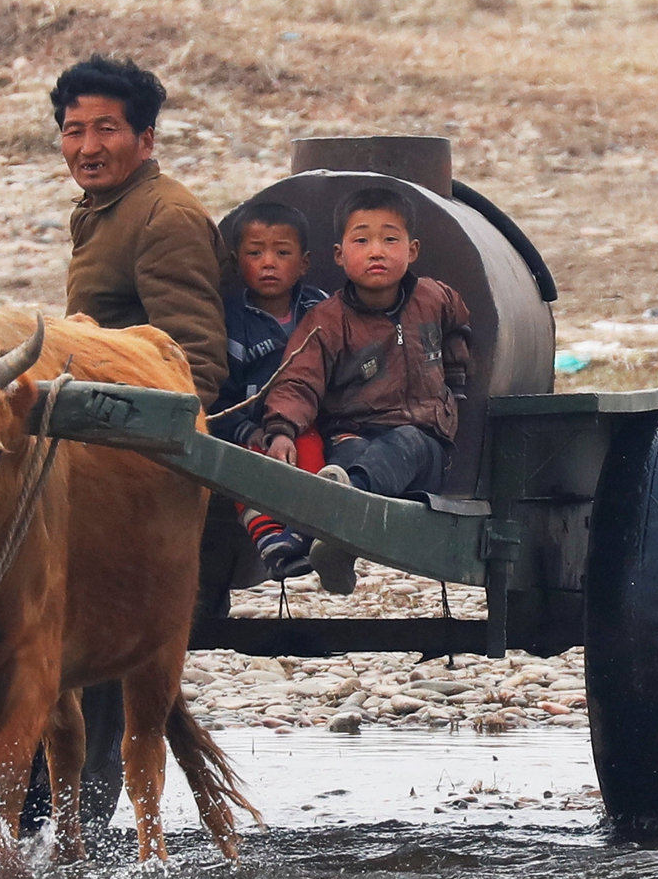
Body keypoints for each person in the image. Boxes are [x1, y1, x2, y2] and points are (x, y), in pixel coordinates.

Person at [260, 186, 472, 595]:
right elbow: (298, 380)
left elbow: (458, 327)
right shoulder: (327, 320)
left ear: (412, 250)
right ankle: (338, 544)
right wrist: (281, 429)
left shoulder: (435, 298)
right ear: (339, 255)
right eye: (362, 241)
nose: (377, 251)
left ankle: (327, 513)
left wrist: (456, 380)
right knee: (350, 457)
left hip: (423, 443)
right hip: (352, 436)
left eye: (390, 239)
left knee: (404, 444)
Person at [54, 54, 229, 406]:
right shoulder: (101, 206)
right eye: (74, 132)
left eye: (106, 129)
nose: (88, 147)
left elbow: (193, 366)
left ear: (145, 141)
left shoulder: (165, 218)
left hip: (128, 421)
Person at [206, 201, 328, 579]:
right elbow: (220, 396)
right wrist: (249, 431)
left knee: (312, 454)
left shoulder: (320, 310)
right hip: (250, 428)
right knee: (243, 468)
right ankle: (269, 539)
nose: (269, 263)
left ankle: (307, 531)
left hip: (307, 423)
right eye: (255, 253)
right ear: (236, 262)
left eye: (282, 253)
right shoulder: (230, 321)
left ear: (304, 263)